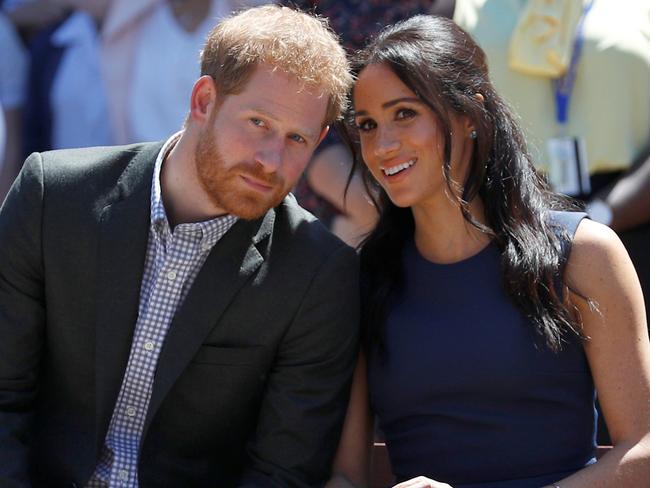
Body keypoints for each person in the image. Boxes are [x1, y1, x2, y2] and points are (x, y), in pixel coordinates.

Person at [0, 5, 359, 487]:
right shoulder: (53, 198)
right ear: (204, 100)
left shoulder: (317, 272)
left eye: (298, 138)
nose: (271, 160)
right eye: (258, 123)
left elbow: (282, 471)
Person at [328, 15, 650, 488]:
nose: (382, 145)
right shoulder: (364, 278)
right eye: (368, 125)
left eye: (404, 114)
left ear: (470, 114)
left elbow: (643, 452)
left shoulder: (583, 253)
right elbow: (345, 476)